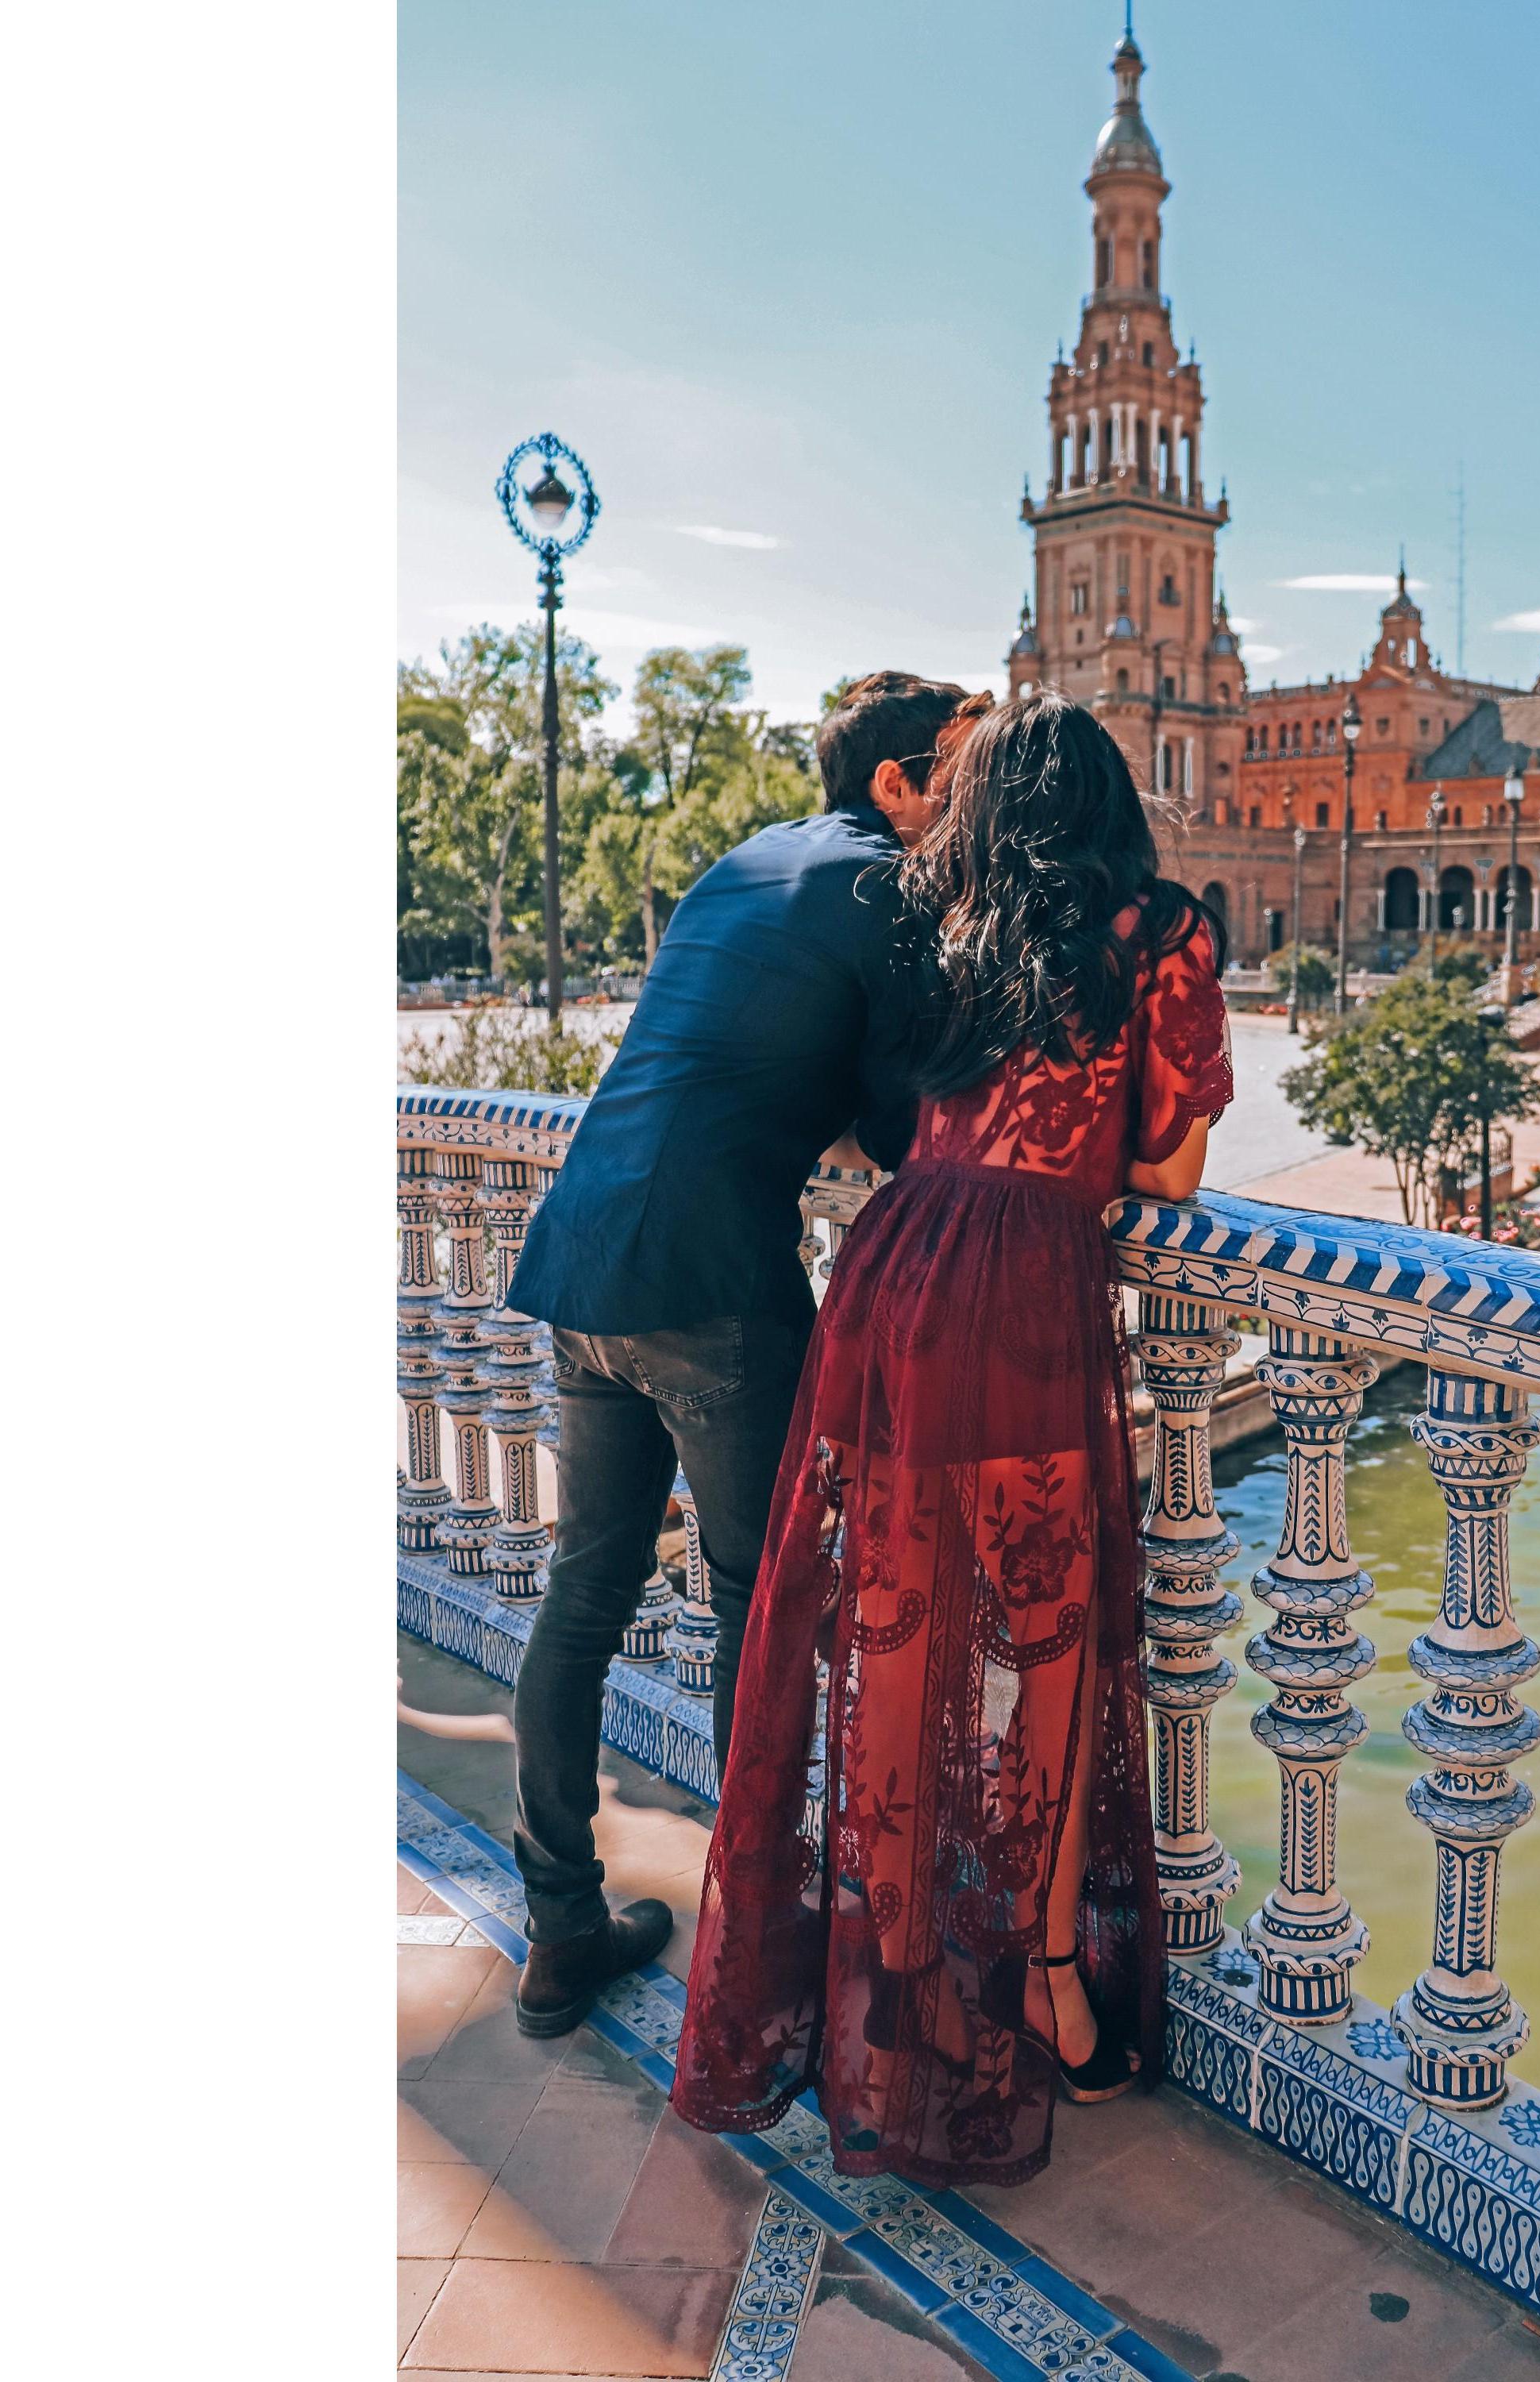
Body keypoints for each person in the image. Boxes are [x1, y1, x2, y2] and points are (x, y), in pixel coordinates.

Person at [671, 688, 1234, 2188]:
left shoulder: (938, 921)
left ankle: (895, 1969)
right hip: (1030, 1290)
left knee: (893, 1630)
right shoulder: (1158, 935)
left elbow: (883, 1123)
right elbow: (1172, 1170)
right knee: (1045, 1649)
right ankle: (1047, 1980)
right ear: (1113, 808)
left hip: (895, 1273)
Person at [499, 670, 977, 2038]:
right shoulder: (889, 889)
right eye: (952, 771)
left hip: (586, 1256)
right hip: (711, 1289)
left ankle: (562, 1928)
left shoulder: (747, 860)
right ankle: (762, 1952)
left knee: (583, 1600)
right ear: (893, 784)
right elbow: (905, 1136)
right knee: (756, 1617)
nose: (967, 801)